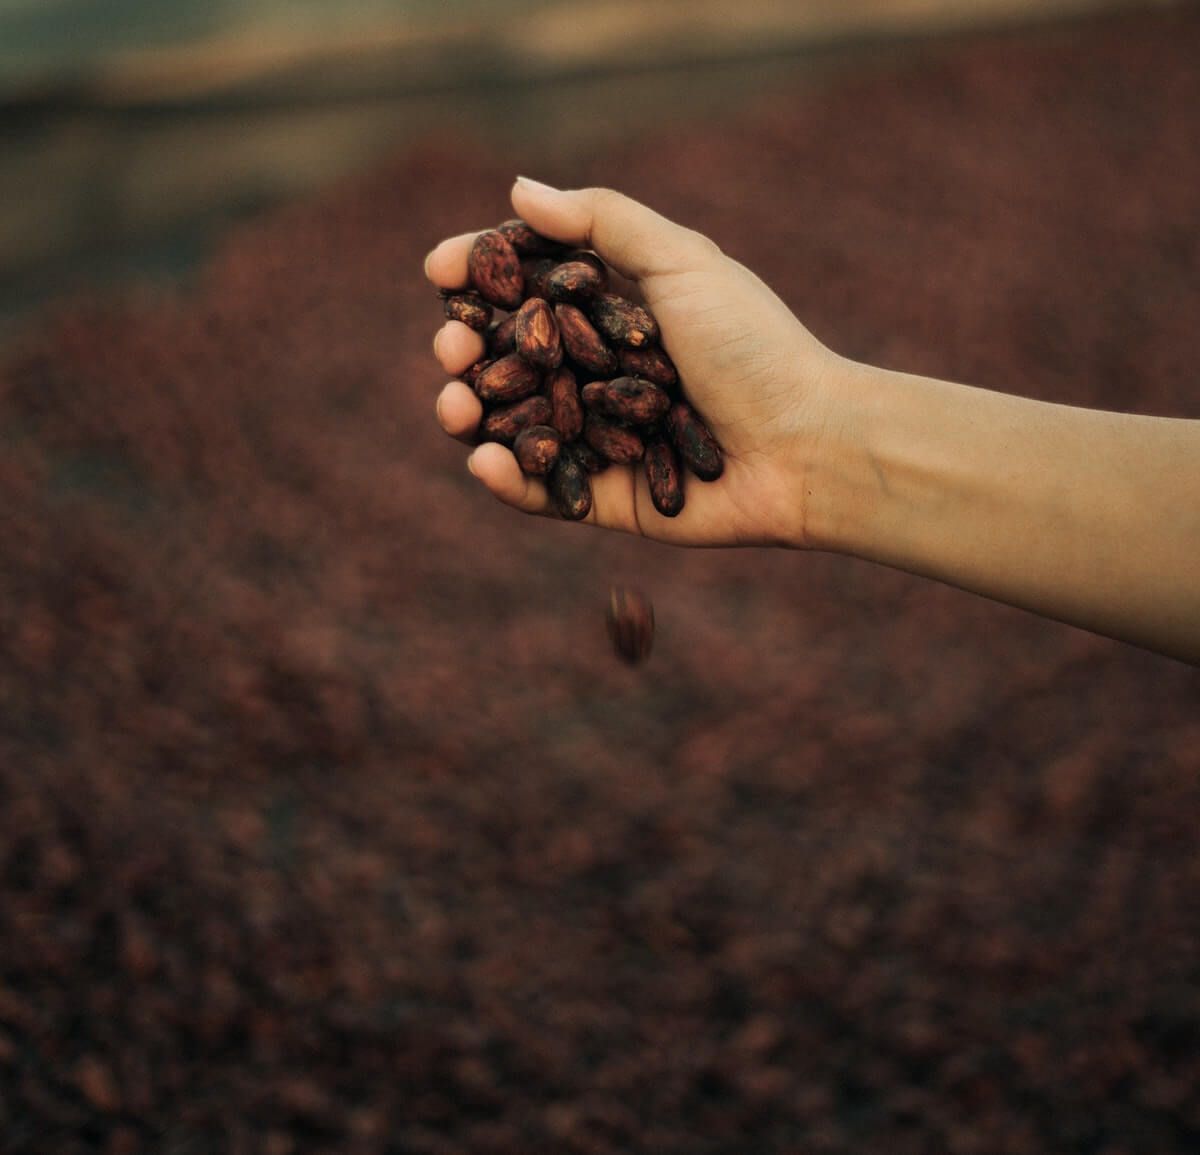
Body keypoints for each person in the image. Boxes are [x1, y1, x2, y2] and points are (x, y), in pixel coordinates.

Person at [425, 178, 1200, 666]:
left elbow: (603, 377)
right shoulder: (569, 351)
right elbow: (576, 375)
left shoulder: (599, 359)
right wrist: (813, 433)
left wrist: (809, 430)